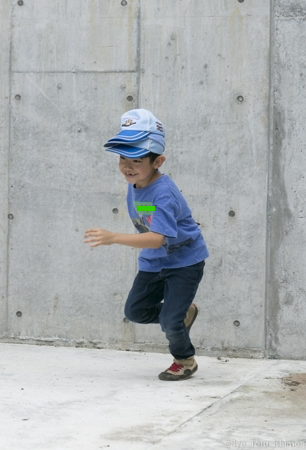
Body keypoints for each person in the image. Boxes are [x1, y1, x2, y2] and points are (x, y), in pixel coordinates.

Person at [84, 109, 208, 381]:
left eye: (137, 159)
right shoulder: (137, 180)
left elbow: (157, 238)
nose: (127, 166)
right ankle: (183, 312)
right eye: (123, 158)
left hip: (184, 262)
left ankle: (184, 360)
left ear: (157, 161)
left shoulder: (164, 193)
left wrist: (113, 237)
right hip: (154, 261)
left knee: (169, 322)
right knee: (135, 311)